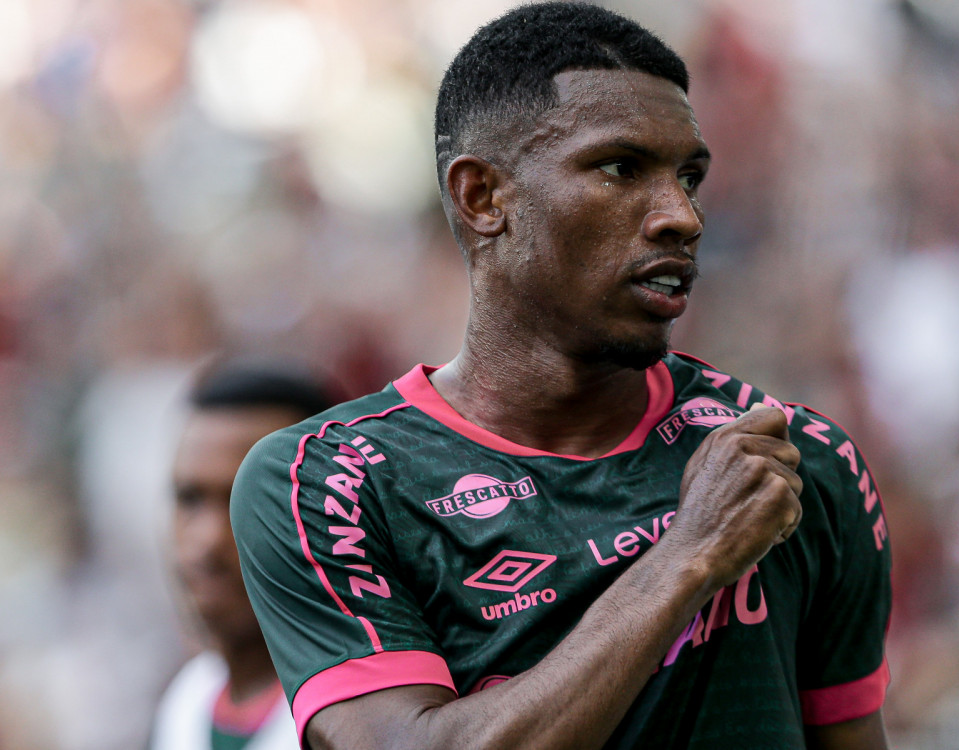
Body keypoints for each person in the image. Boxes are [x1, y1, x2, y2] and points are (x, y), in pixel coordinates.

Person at [231, 3, 892, 748]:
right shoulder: (335, 481)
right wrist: (685, 559)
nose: (682, 215)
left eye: (691, 176)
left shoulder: (801, 463)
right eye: (621, 168)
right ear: (483, 197)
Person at [150, 362, 334, 750]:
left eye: (247, 503)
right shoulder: (187, 703)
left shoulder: (367, 721)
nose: (207, 540)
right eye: (189, 499)